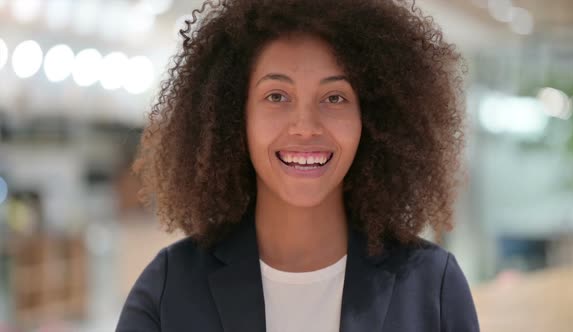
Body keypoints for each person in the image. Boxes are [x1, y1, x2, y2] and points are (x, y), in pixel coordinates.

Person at [116, 0, 479, 331]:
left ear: (371, 119)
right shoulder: (169, 289)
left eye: (334, 97)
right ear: (233, 116)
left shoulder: (433, 287)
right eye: (277, 96)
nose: (305, 126)